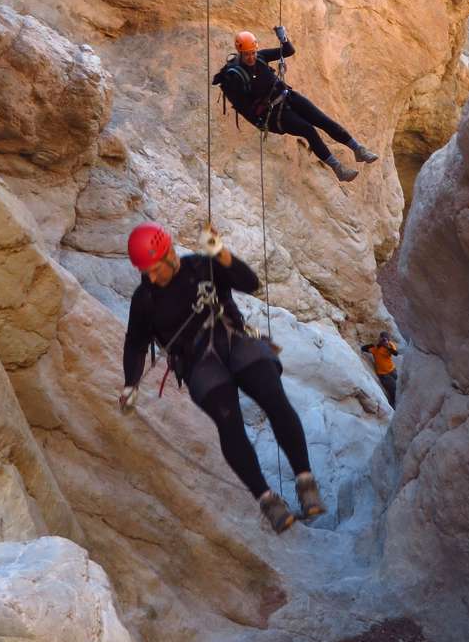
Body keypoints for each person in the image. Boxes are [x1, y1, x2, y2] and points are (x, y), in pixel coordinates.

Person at [119, 223, 326, 532]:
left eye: (154, 269)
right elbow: (135, 344)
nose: (150, 277)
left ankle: (305, 481)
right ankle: (267, 500)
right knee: (228, 422)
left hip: (234, 340)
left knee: (274, 398)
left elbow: (250, 283)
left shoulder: (201, 266)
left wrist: (220, 252)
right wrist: (130, 382)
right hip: (198, 364)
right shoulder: (145, 299)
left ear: (170, 254)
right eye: (145, 271)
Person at [212, 25, 378, 184]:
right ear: (240, 52)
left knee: (322, 120)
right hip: (273, 114)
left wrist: (283, 38)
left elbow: (288, 51)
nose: (251, 57)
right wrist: (260, 122)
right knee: (308, 130)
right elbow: (243, 108)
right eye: (247, 54)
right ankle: (339, 169)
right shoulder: (235, 76)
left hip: (287, 96)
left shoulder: (260, 57)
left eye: (253, 53)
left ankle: (358, 149)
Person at [361, 330, 399, 407]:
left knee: (398, 385)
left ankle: (395, 401)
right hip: (384, 374)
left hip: (392, 370)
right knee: (393, 389)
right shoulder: (376, 348)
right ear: (380, 339)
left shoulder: (390, 345)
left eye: (386, 339)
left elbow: (395, 353)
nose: (384, 341)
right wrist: (373, 345)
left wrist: (387, 346)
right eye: (383, 339)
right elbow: (363, 348)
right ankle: (393, 404)